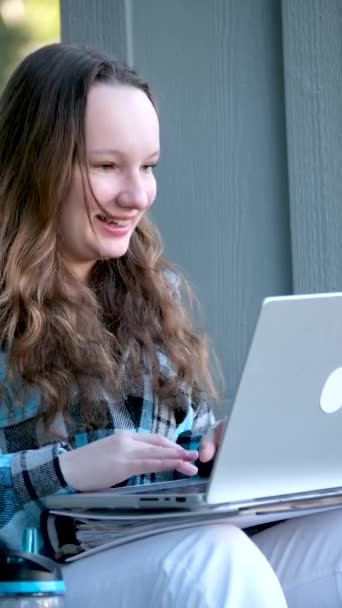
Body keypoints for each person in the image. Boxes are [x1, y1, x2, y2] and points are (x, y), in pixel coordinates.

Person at [0, 41, 315, 608]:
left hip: (165, 541)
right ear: (36, 163)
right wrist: (64, 468)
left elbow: (176, 441)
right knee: (213, 561)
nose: (137, 194)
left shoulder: (149, 290)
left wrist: (213, 450)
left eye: (147, 167)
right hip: (38, 576)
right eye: (105, 166)